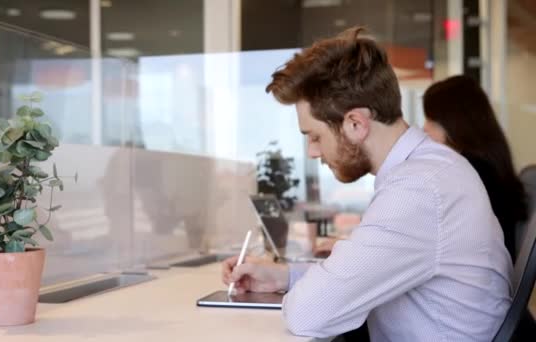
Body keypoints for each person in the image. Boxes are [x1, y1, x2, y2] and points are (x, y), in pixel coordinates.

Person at [221, 27, 512, 341]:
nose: (313, 152)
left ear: (356, 123)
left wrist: (307, 288)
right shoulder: (429, 170)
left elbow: (308, 314)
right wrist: (285, 275)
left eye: (315, 136)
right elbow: (363, 274)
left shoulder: (419, 188)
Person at [422, 75, 529, 262]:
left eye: (431, 121)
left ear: (454, 123)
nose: (424, 129)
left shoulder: (470, 173)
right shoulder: (488, 166)